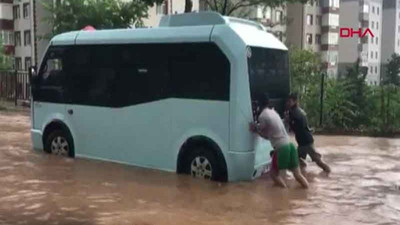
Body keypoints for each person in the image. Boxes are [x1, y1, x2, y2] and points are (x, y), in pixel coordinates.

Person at [249, 94, 309, 189]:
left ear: (258, 105)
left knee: (275, 175)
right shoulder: (273, 112)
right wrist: (257, 130)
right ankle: (307, 192)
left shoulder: (262, 116)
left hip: (282, 148)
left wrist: (255, 129)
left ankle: (283, 199)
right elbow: (268, 136)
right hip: (290, 145)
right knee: (298, 175)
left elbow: (260, 130)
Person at [286, 93, 331, 173]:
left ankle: (328, 171)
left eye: (289, 101)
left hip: (305, 142)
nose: (288, 103)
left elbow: (296, 128)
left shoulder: (295, 112)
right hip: (305, 141)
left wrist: (288, 121)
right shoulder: (299, 110)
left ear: (295, 101)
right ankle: (304, 169)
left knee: (318, 161)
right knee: (295, 158)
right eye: (288, 101)